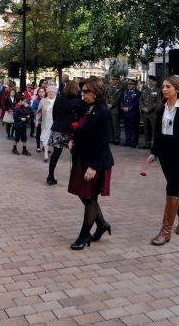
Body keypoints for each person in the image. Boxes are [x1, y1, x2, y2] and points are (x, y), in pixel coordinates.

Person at [146, 76, 179, 245]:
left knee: (171, 187)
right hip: (164, 154)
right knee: (174, 185)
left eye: (168, 86)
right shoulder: (162, 106)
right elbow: (159, 133)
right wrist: (154, 152)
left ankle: (165, 231)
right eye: (163, 86)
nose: (164, 89)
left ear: (177, 89)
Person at [68, 77, 114, 250]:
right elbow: (83, 130)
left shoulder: (103, 111)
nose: (83, 95)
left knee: (89, 198)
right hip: (82, 157)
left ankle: (84, 235)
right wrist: (73, 140)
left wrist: (94, 167)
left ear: (97, 92)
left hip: (96, 162)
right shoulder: (89, 108)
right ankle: (101, 224)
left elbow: (103, 141)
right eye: (82, 91)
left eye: (87, 91)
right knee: (85, 196)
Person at [47, 80, 82, 185]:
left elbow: (54, 113)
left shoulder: (59, 98)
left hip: (58, 128)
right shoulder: (77, 101)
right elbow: (78, 117)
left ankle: (50, 176)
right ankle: (76, 179)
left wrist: (57, 123)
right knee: (75, 155)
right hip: (70, 131)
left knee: (55, 154)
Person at [140, 76, 162, 149]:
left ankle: (154, 145)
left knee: (154, 129)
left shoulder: (158, 90)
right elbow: (141, 100)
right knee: (146, 129)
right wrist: (143, 108)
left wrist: (149, 109)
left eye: (152, 81)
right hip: (145, 113)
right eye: (149, 81)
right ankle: (147, 144)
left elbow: (157, 102)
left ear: (155, 82)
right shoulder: (145, 90)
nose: (150, 82)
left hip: (153, 113)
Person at [36, 87, 56, 162]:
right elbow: (39, 111)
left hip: (55, 123)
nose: (51, 93)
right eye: (49, 91)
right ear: (47, 92)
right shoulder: (43, 100)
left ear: (55, 92)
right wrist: (37, 120)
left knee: (55, 139)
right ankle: (45, 155)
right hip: (46, 123)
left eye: (53, 91)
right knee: (46, 138)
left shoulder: (57, 101)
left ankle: (55, 154)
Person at [120, 78, 141, 147]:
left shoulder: (137, 93)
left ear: (135, 85)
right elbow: (122, 101)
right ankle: (128, 141)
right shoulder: (125, 92)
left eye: (131, 84)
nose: (129, 85)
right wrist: (123, 107)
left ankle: (134, 142)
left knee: (134, 128)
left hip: (133, 113)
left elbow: (137, 103)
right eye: (128, 84)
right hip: (126, 113)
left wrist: (129, 108)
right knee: (127, 127)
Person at [106, 76, 124, 145]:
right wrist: (107, 103)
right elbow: (106, 96)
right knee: (110, 124)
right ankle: (111, 138)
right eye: (112, 79)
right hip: (108, 108)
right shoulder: (109, 87)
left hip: (115, 108)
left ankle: (116, 138)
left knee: (115, 124)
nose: (113, 81)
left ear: (118, 80)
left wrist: (112, 104)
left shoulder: (119, 88)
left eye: (115, 79)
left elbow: (118, 98)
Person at [32, 87, 46, 153]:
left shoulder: (47, 100)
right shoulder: (36, 101)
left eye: (42, 91)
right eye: (40, 92)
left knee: (45, 134)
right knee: (38, 133)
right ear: (38, 93)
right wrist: (37, 111)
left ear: (45, 92)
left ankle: (44, 146)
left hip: (46, 120)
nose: (41, 93)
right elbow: (33, 109)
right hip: (39, 120)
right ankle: (38, 147)